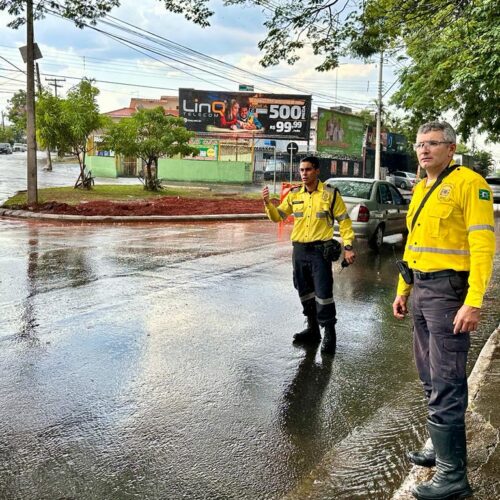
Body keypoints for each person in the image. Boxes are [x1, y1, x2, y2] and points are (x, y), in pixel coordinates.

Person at [392, 121, 495, 499]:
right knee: (429, 376)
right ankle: (439, 446)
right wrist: (403, 288)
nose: (424, 150)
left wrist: (473, 300)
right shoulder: (421, 188)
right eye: (420, 144)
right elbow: (413, 244)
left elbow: (483, 245)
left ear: (451, 148)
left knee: (447, 381)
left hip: (450, 294)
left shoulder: (470, 184)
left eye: (433, 143)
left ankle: (453, 476)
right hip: (420, 289)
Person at [262, 156, 356, 355]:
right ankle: (313, 329)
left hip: (320, 251)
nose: (304, 174)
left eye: (308, 170)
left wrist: (348, 247)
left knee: (323, 293)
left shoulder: (330, 194)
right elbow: (278, 216)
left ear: (317, 171)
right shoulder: (295, 194)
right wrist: (268, 204)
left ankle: (329, 331)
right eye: (301, 170)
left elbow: (345, 222)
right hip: (300, 250)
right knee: (304, 290)